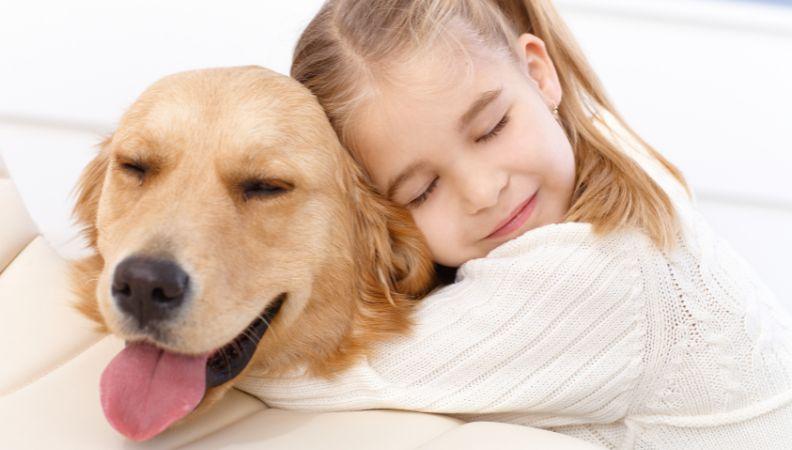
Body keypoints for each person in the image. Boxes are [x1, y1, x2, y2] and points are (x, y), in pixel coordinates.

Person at [235, 1, 792, 447]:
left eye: (492, 128)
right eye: (422, 191)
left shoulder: (598, 271)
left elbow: (347, 373)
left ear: (539, 73)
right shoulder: (613, 159)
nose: (483, 192)